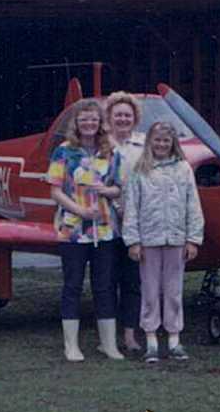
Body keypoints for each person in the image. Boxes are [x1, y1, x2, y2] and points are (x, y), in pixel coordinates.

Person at [47, 98, 125, 362]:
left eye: (93, 119)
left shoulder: (110, 151)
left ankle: (108, 345)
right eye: (84, 119)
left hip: (104, 230)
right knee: (73, 285)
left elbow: (119, 187)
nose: (89, 123)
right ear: (76, 123)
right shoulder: (63, 151)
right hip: (73, 230)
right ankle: (71, 346)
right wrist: (79, 211)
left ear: (100, 122)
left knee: (104, 286)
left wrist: (107, 190)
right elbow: (55, 190)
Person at [121, 121, 204, 364]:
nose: (161, 144)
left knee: (173, 291)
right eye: (157, 140)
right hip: (148, 240)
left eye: (166, 140)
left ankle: (174, 340)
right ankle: (151, 341)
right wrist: (133, 241)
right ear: (150, 142)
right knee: (149, 290)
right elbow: (131, 207)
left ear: (173, 143)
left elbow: (193, 204)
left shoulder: (183, 168)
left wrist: (193, 239)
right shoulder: (140, 169)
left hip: (176, 239)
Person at [105, 91, 145, 353]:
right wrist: (118, 206)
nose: (122, 119)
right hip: (106, 222)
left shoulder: (145, 145)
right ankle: (107, 337)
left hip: (135, 223)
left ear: (135, 118)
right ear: (109, 117)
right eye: (118, 114)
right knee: (106, 281)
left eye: (127, 115)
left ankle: (130, 336)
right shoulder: (99, 145)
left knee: (132, 280)